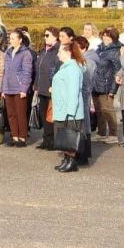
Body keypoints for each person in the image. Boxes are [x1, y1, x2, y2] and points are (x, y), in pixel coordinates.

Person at [52, 41, 85, 173]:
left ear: (69, 52)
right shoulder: (65, 67)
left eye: (61, 51)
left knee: (70, 137)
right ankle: (66, 159)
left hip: (70, 111)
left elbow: (73, 92)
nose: (58, 54)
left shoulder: (72, 69)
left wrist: (70, 112)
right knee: (64, 137)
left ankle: (72, 161)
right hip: (61, 109)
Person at [0, 29, 33, 147]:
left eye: (13, 38)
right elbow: (5, 72)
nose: (11, 40)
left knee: (21, 113)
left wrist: (24, 89)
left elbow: (27, 72)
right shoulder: (8, 52)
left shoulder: (26, 53)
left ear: (20, 40)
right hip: (8, 88)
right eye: (10, 38)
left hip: (19, 88)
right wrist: (3, 89)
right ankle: (14, 136)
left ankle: (22, 137)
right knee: (11, 114)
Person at [92, 28, 122, 142]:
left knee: (108, 110)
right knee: (98, 110)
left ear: (113, 38)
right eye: (103, 35)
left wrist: (113, 89)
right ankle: (101, 132)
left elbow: (117, 71)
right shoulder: (99, 49)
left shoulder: (115, 51)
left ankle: (113, 134)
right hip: (96, 83)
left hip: (107, 85)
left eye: (108, 36)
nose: (105, 38)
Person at [33, 27, 60, 150]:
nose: (45, 37)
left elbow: (55, 70)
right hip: (42, 88)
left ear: (55, 36)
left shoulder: (57, 51)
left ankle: (53, 141)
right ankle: (46, 139)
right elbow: (38, 70)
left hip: (51, 89)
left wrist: (53, 85)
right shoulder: (44, 51)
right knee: (44, 116)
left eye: (47, 35)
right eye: (45, 35)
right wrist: (36, 84)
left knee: (51, 117)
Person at [75, 36, 96, 165]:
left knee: (84, 125)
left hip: (84, 96)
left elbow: (87, 83)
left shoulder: (88, 62)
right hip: (81, 95)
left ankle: (83, 155)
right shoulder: (80, 60)